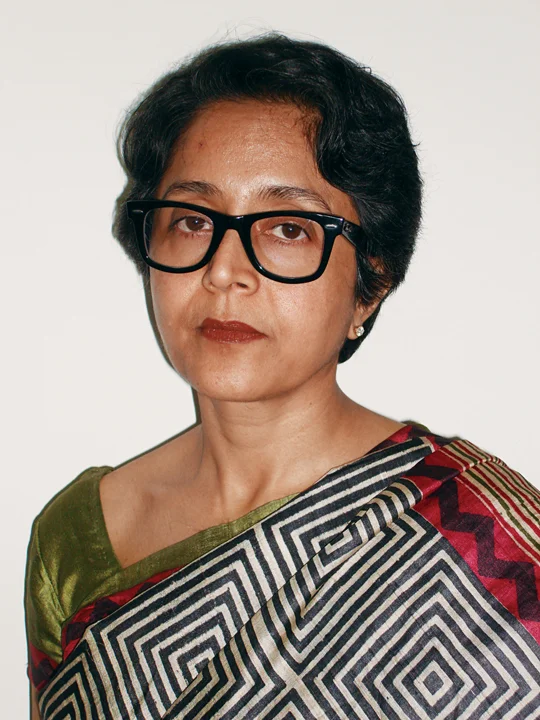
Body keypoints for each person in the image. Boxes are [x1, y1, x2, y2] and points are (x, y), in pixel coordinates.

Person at [25, 33, 540, 720]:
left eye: (289, 228)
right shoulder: (73, 541)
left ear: (370, 285)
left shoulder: (480, 542)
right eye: (191, 220)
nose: (224, 270)